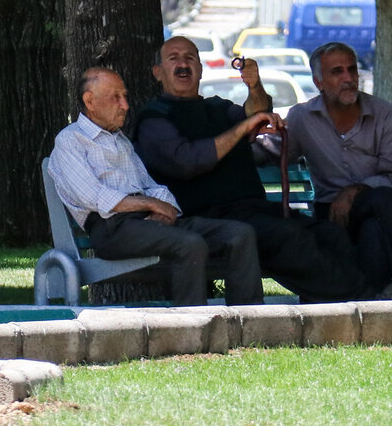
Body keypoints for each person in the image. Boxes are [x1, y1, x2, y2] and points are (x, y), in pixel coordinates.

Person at [133, 36, 392, 303]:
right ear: (158, 72)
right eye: (174, 58)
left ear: (200, 69)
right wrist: (241, 130)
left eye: (190, 58)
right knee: (290, 237)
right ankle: (366, 301)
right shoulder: (155, 118)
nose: (183, 64)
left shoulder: (217, 107)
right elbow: (188, 161)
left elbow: (256, 112)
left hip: (253, 210)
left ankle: (362, 297)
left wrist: (254, 85)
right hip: (207, 219)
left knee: (330, 234)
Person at [49, 67, 264, 307]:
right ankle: (194, 324)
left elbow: (151, 186)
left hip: (147, 221)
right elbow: (95, 197)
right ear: (90, 101)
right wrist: (152, 205)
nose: (125, 105)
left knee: (239, 235)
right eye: (115, 97)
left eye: (125, 96)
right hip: (112, 228)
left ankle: (250, 320)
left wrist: (164, 210)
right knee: (188, 243)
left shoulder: (120, 140)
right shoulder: (70, 140)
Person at [285, 42, 392, 300]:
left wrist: (353, 191)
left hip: (388, 210)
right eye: (337, 72)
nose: (348, 78)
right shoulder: (302, 117)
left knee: (377, 216)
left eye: (352, 70)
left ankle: (376, 293)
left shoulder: (384, 114)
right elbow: (273, 152)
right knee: (377, 216)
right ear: (318, 82)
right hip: (332, 215)